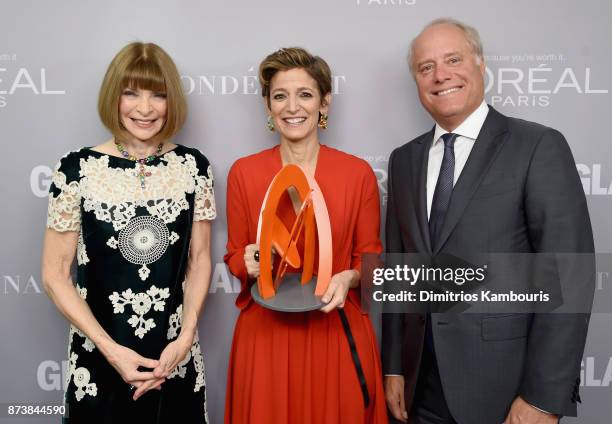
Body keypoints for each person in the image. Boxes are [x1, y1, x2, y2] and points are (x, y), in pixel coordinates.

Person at [382, 18, 594, 424]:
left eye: (453, 59)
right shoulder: (404, 160)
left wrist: (543, 399)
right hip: (419, 389)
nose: (440, 75)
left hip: (506, 392)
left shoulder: (537, 146)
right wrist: (394, 367)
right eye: (426, 67)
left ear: (480, 65)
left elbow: (571, 277)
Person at [41, 42, 216, 423]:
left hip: (174, 356)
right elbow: (55, 275)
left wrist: (185, 339)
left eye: (158, 94)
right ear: (113, 96)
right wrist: (110, 349)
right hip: (99, 355)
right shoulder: (76, 169)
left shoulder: (193, 167)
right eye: (131, 92)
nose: (145, 108)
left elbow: (200, 259)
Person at [223, 47, 388, 423]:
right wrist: (244, 261)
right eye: (279, 96)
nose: (292, 107)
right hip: (266, 335)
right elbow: (234, 254)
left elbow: (371, 259)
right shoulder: (243, 173)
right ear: (268, 106)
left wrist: (349, 276)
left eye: (305, 94)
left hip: (335, 328)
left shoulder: (357, 173)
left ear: (324, 102)